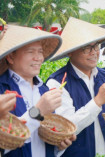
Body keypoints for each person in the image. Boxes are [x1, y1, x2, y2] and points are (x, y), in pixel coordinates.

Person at [46, 17, 105, 157]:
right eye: (86, 48)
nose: (94, 52)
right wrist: (97, 101)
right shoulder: (58, 83)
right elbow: (66, 129)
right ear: (70, 52)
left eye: (95, 46)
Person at [0, 25, 76, 157]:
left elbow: (43, 134)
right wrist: (37, 112)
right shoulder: (2, 89)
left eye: (40, 52)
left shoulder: (43, 89)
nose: (38, 58)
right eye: (30, 52)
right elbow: (4, 143)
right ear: (11, 57)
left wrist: (59, 144)